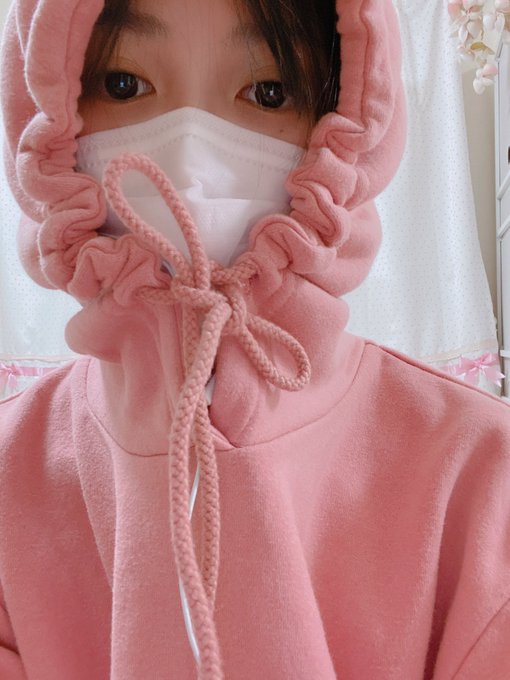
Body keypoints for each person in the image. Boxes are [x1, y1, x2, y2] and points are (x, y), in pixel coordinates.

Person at [0, 0, 508, 678]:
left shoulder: (480, 473)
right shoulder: (10, 476)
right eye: (123, 84)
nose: (191, 155)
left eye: (269, 92)